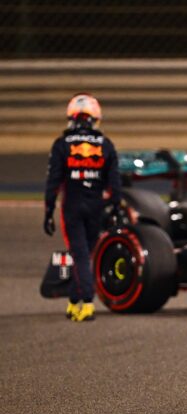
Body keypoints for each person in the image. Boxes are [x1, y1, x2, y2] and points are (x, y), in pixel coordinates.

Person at [44, 93, 121, 322]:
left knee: (80, 255)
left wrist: (48, 210)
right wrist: (116, 207)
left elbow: (53, 181)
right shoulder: (106, 145)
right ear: (95, 119)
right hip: (96, 205)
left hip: (73, 205)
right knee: (85, 254)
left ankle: (87, 303)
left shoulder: (61, 144)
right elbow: (115, 183)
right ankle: (73, 300)